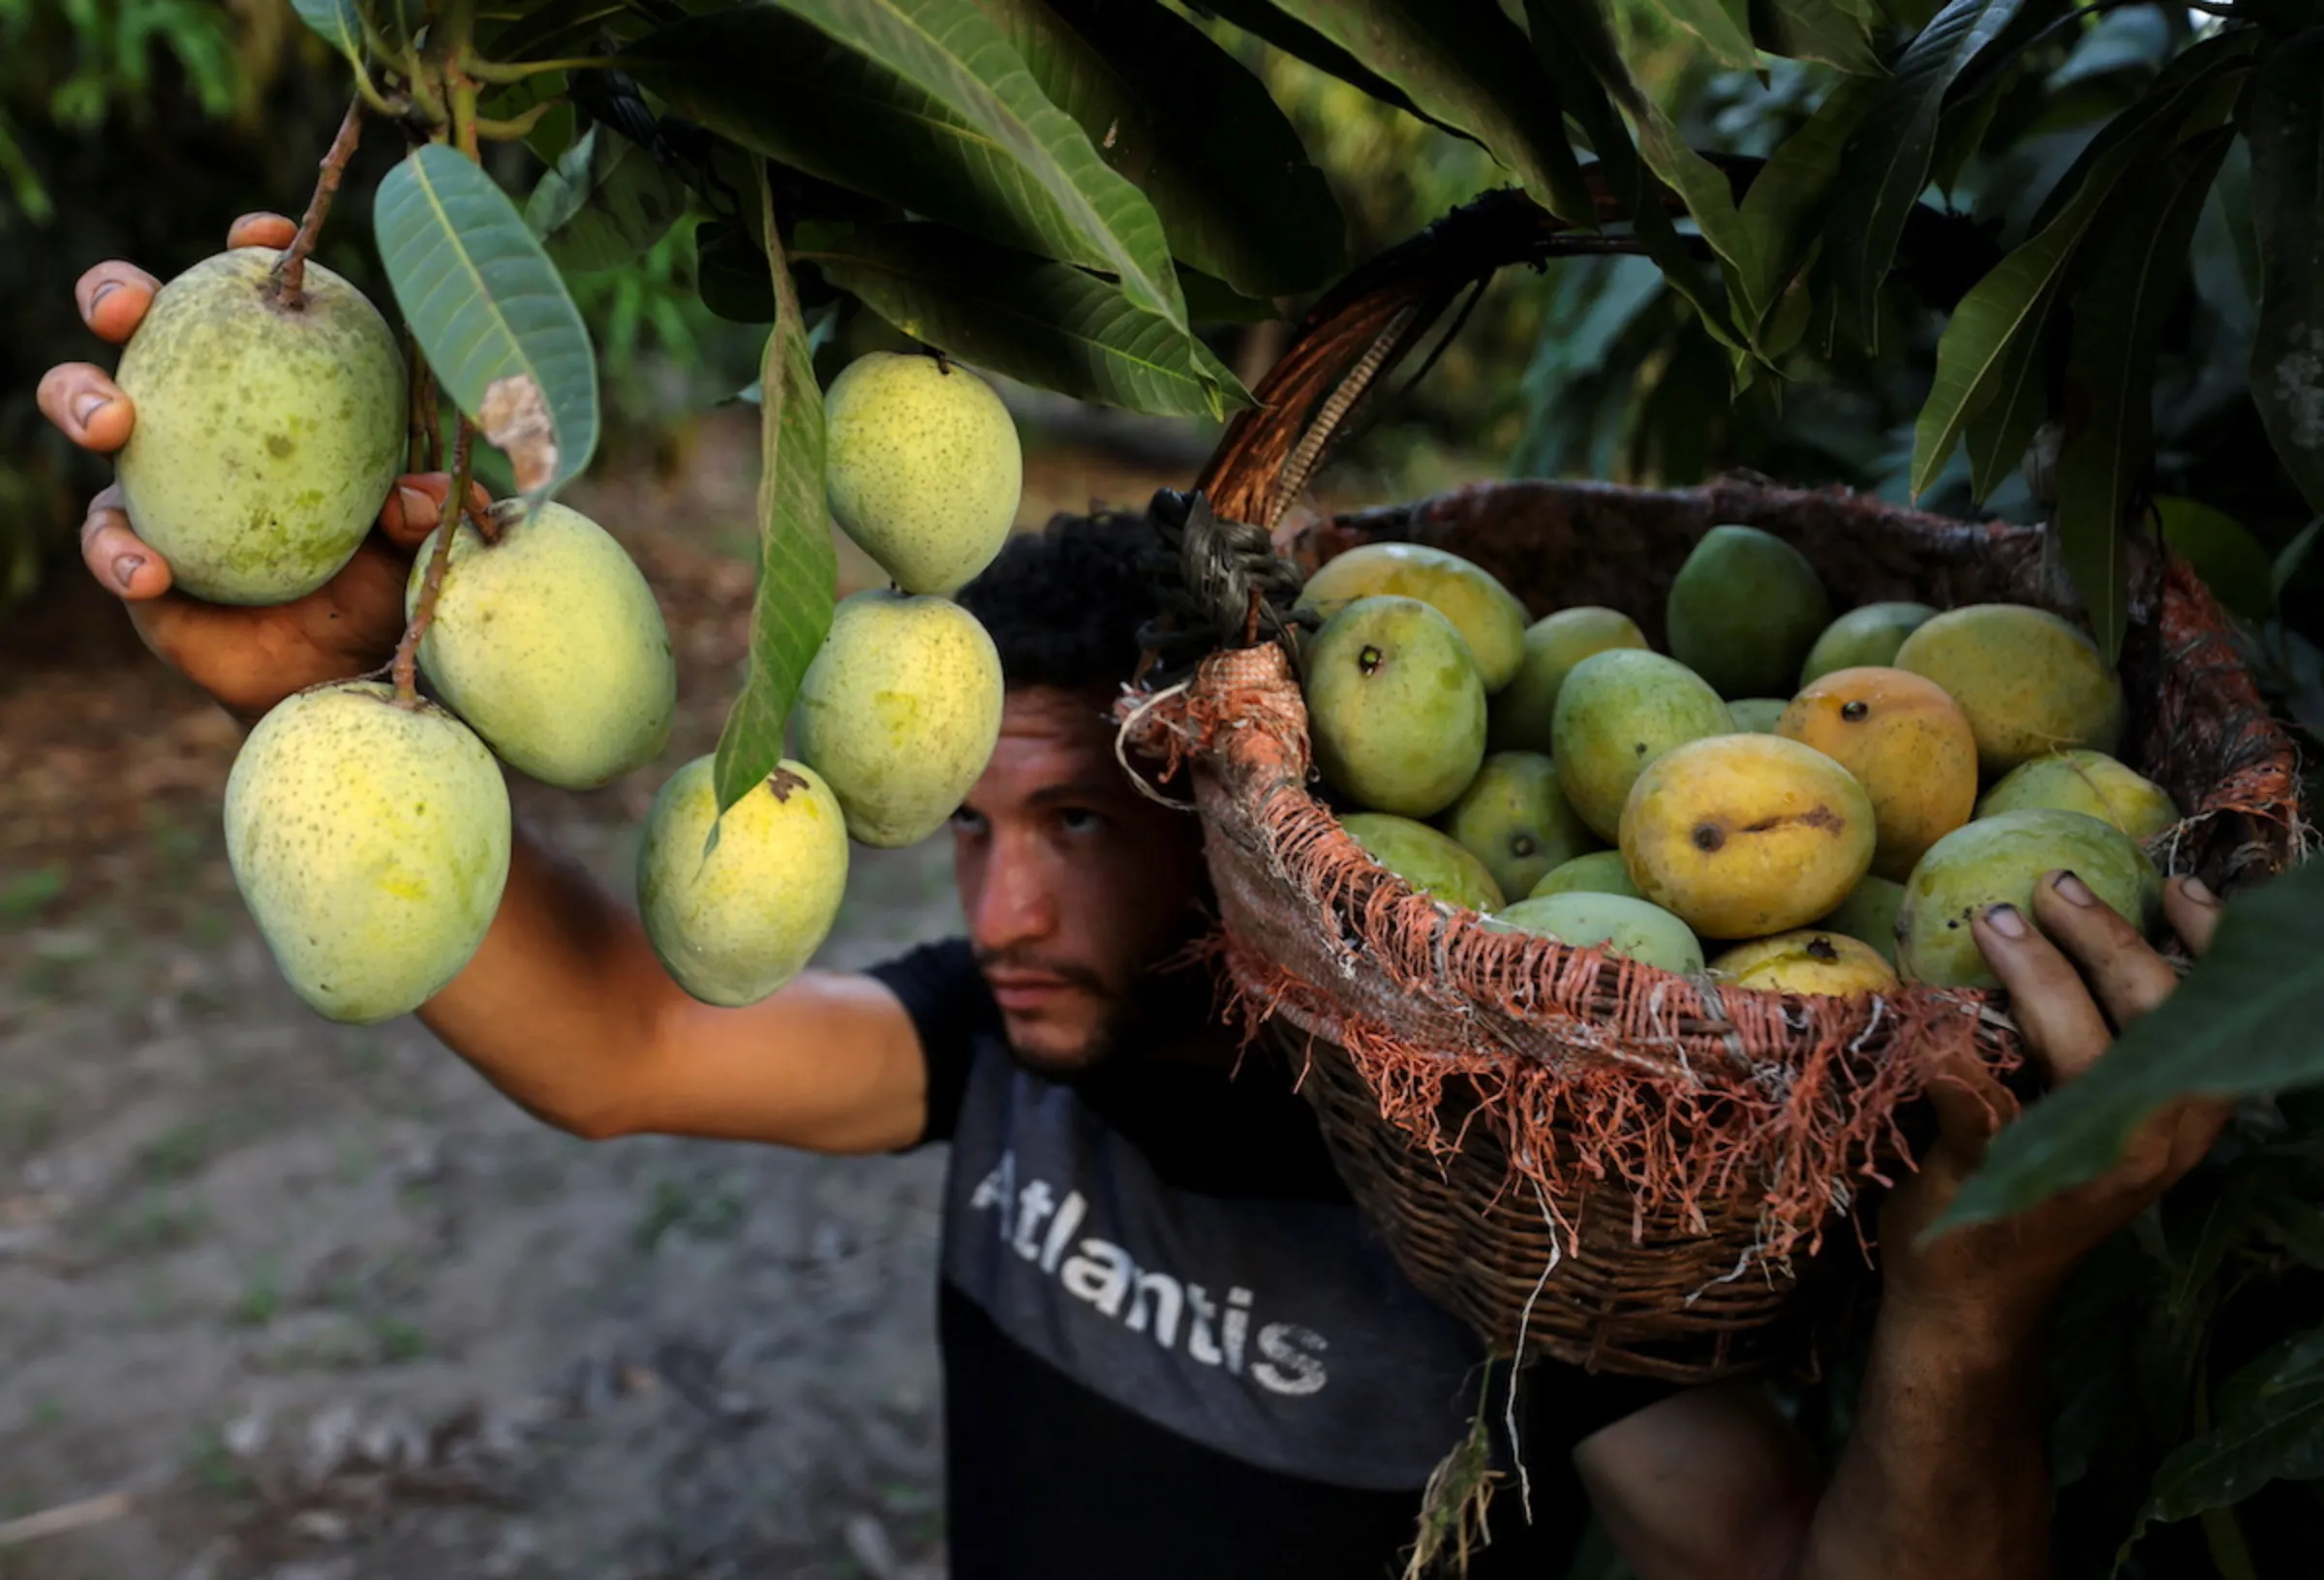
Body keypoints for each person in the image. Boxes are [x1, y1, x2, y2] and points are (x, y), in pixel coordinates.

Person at [42, 217, 2237, 1580]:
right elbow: (620, 1053)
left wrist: (1970, 1315)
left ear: (1249, 834)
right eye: (970, 831)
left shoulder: (1484, 1212)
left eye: (1078, 830)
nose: (996, 905)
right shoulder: (995, 1053)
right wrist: (316, 671)